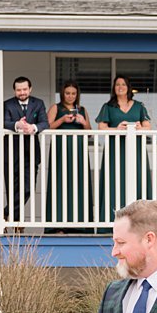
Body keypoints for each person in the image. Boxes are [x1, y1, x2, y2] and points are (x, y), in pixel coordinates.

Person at [95, 75, 154, 221]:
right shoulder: (108, 106)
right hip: (115, 149)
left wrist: (140, 127)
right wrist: (117, 129)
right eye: (117, 85)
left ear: (128, 87)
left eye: (123, 84)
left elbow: (148, 126)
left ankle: (140, 220)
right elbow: (101, 127)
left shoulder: (139, 106)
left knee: (138, 179)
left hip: (136, 149)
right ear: (114, 89)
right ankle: (112, 220)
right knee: (114, 180)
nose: (120, 87)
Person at [45, 80, 91, 232]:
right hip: (61, 149)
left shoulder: (82, 109)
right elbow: (46, 126)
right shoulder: (56, 108)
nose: (70, 96)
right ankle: (58, 225)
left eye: (73, 93)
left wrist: (83, 122)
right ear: (62, 94)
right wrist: (62, 120)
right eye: (67, 93)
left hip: (78, 149)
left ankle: (80, 225)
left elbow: (89, 132)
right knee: (60, 183)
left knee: (79, 182)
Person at [3, 77, 46, 226]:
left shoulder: (38, 103)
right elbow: (3, 121)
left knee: (28, 188)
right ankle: (16, 223)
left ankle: (7, 213)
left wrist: (32, 128)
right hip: (11, 152)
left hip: (31, 152)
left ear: (30, 89)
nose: (22, 92)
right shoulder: (7, 104)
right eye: (19, 90)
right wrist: (17, 125)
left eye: (24, 89)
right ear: (14, 90)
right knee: (12, 188)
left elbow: (44, 122)